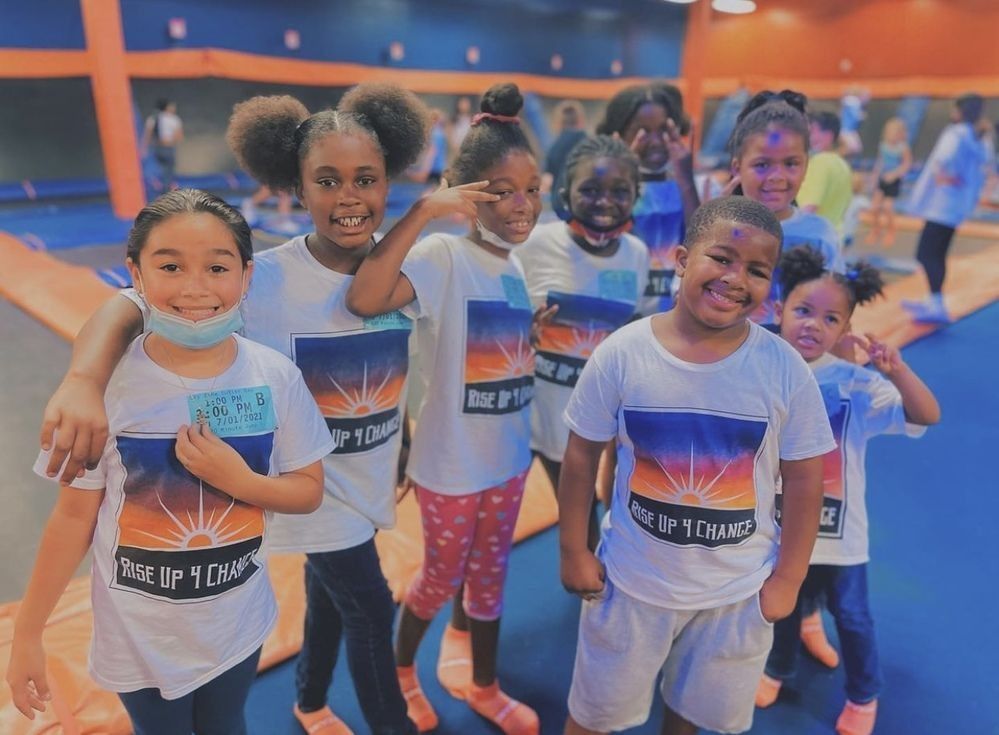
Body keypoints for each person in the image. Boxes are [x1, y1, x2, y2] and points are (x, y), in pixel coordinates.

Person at [33, 83, 481, 735]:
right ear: (296, 188)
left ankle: (309, 700)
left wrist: (402, 437)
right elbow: (129, 303)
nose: (348, 197)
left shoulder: (401, 271)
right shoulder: (262, 277)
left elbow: (388, 359)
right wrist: (82, 378)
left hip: (361, 481)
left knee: (330, 596)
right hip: (304, 491)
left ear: (391, 180)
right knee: (369, 605)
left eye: (366, 179)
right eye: (326, 181)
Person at [6, 189, 332, 734]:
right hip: (140, 638)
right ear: (135, 273)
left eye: (217, 267)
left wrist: (241, 481)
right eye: (171, 266)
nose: (195, 287)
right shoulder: (107, 390)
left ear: (246, 276)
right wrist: (28, 633)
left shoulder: (275, 377)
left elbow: (308, 489)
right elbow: (73, 517)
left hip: (236, 623)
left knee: (227, 724)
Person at [558, 196, 836, 735]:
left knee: (692, 715)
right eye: (722, 259)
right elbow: (581, 453)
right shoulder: (623, 353)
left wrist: (789, 577)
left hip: (736, 595)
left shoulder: (783, 369)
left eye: (757, 270)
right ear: (682, 259)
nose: (736, 279)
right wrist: (573, 548)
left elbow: (806, 477)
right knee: (594, 714)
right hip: (632, 584)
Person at [346, 83, 541, 735]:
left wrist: (530, 332)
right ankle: (402, 671)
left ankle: (484, 684)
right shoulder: (444, 256)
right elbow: (365, 298)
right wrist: (426, 211)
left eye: (531, 189)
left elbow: (490, 353)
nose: (521, 204)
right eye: (502, 190)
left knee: (489, 578)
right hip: (451, 465)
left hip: (507, 459)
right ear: (467, 194)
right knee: (440, 576)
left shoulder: (514, 269)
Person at [756, 246, 940, 735]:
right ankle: (777, 668)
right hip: (776, 530)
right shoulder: (758, 368)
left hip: (840, 538)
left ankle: (863, 693)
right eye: (803, 310)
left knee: (854, 617)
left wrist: (895, 370)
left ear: (844, 330)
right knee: (780, 608)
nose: (814, 324)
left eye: (830, 318)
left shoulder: (855, 384)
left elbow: (926, 415)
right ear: (779, 311)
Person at [515, 134, 648, 546]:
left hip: (583, 426)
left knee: (584, 537)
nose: (604, 201)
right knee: (489, 535)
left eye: (619, 191)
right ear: (565, 192)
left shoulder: (636, 254)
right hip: (521, 418)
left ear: (636, 195)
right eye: (590, 189)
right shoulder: (534, 244)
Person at [727, 89, 843, 329]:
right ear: (737, 168)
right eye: (762, 165)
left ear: (805, 166)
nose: (777, 177)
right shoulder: (720, 227)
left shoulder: (820, 235)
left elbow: (837, 310)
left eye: (790, 164)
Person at [596, 83, 700, 314]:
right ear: (618, 136)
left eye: (663, 130)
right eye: (642, 131)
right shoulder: (601, 190)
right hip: (624, 313)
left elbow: (701, 240)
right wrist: (623, 176)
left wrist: (686, 177)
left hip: (678, 314)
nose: (655, 141)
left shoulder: (694, 186)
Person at [902, 93, 993, 324]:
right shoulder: (979, 136)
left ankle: (936, 301)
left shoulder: (956, 133)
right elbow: (986, 163)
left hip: (942, 205)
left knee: (925, 254)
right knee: (937, 253)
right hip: (956, 205)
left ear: (960, 111)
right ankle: (934, 300)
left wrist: (943, 176)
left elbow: (942, 159)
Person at [798, 110, 854, 237]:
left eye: (812, 131)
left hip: (812, 239)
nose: (806, 136)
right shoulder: (842, 164)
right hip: (833, 237)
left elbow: (809, 208)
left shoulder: (819, 163)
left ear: (828, 136)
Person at [866, 117, 912, 246]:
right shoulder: (883, 146)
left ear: (901, 134)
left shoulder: (903, 148)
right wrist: (874, 176)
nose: (892, 136)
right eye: (890, 133)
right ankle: (876, 229)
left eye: (895, 133)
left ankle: (891, 230)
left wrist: (894, 174)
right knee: (874, 207)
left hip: (893, 181)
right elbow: (880, 162)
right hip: (882, 178)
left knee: (887, 208)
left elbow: (906, 164)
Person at [542, 100, 587, 193]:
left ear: (559, 123)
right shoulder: (590, 143)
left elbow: (546, 182)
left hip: (560, 198)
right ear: (580, 120)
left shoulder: (554, 148)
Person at [142, 98, 184, 191]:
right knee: (168, 172)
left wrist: (144, 149)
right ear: (167, 107)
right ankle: (165, 190)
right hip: (168, 147)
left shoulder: (153, 118)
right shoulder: (173, 119)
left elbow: (148, 135)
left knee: (157, 169)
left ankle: (158, 187)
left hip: (156, 147)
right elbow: (179, 136)